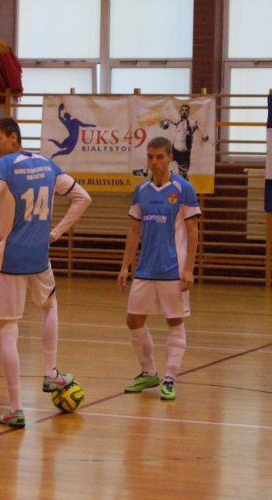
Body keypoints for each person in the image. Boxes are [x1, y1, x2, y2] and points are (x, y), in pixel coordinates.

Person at [0, 117, 91, 427]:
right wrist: (56, 233)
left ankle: (16, 408)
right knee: (50, 306)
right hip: (39, 254)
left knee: (9, 330)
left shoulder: (6, 166)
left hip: (7, 258)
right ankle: (51, 373)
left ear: (13, 137)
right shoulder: (47, 164)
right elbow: (83, 198)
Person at [117, 136, 200, 400]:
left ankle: (170, 378)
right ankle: (148, 372)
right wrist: (124, 267)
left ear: (170, 158)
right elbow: (133, 230)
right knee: (133, 319)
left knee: (174, 321)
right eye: (151, 157)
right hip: (144, 269)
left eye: (160, 157)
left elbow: (192, 230)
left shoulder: (183, 188)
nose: (155, 162)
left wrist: (189, 269)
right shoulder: (141, 190)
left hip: (172, 270)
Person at [159, 104, 209, 180]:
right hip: (174, 149)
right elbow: (171, 121)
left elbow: (199, 125)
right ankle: (145, 171)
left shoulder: (191, 122)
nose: (184, 112)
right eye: (182, 110)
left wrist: (204, 135)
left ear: (188, 112)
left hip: (183, 153)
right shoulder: (178, 122)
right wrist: (166, 122)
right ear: (180, 112)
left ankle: (186, 188)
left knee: (182, 177)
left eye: (186, 110)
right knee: (161, 160)